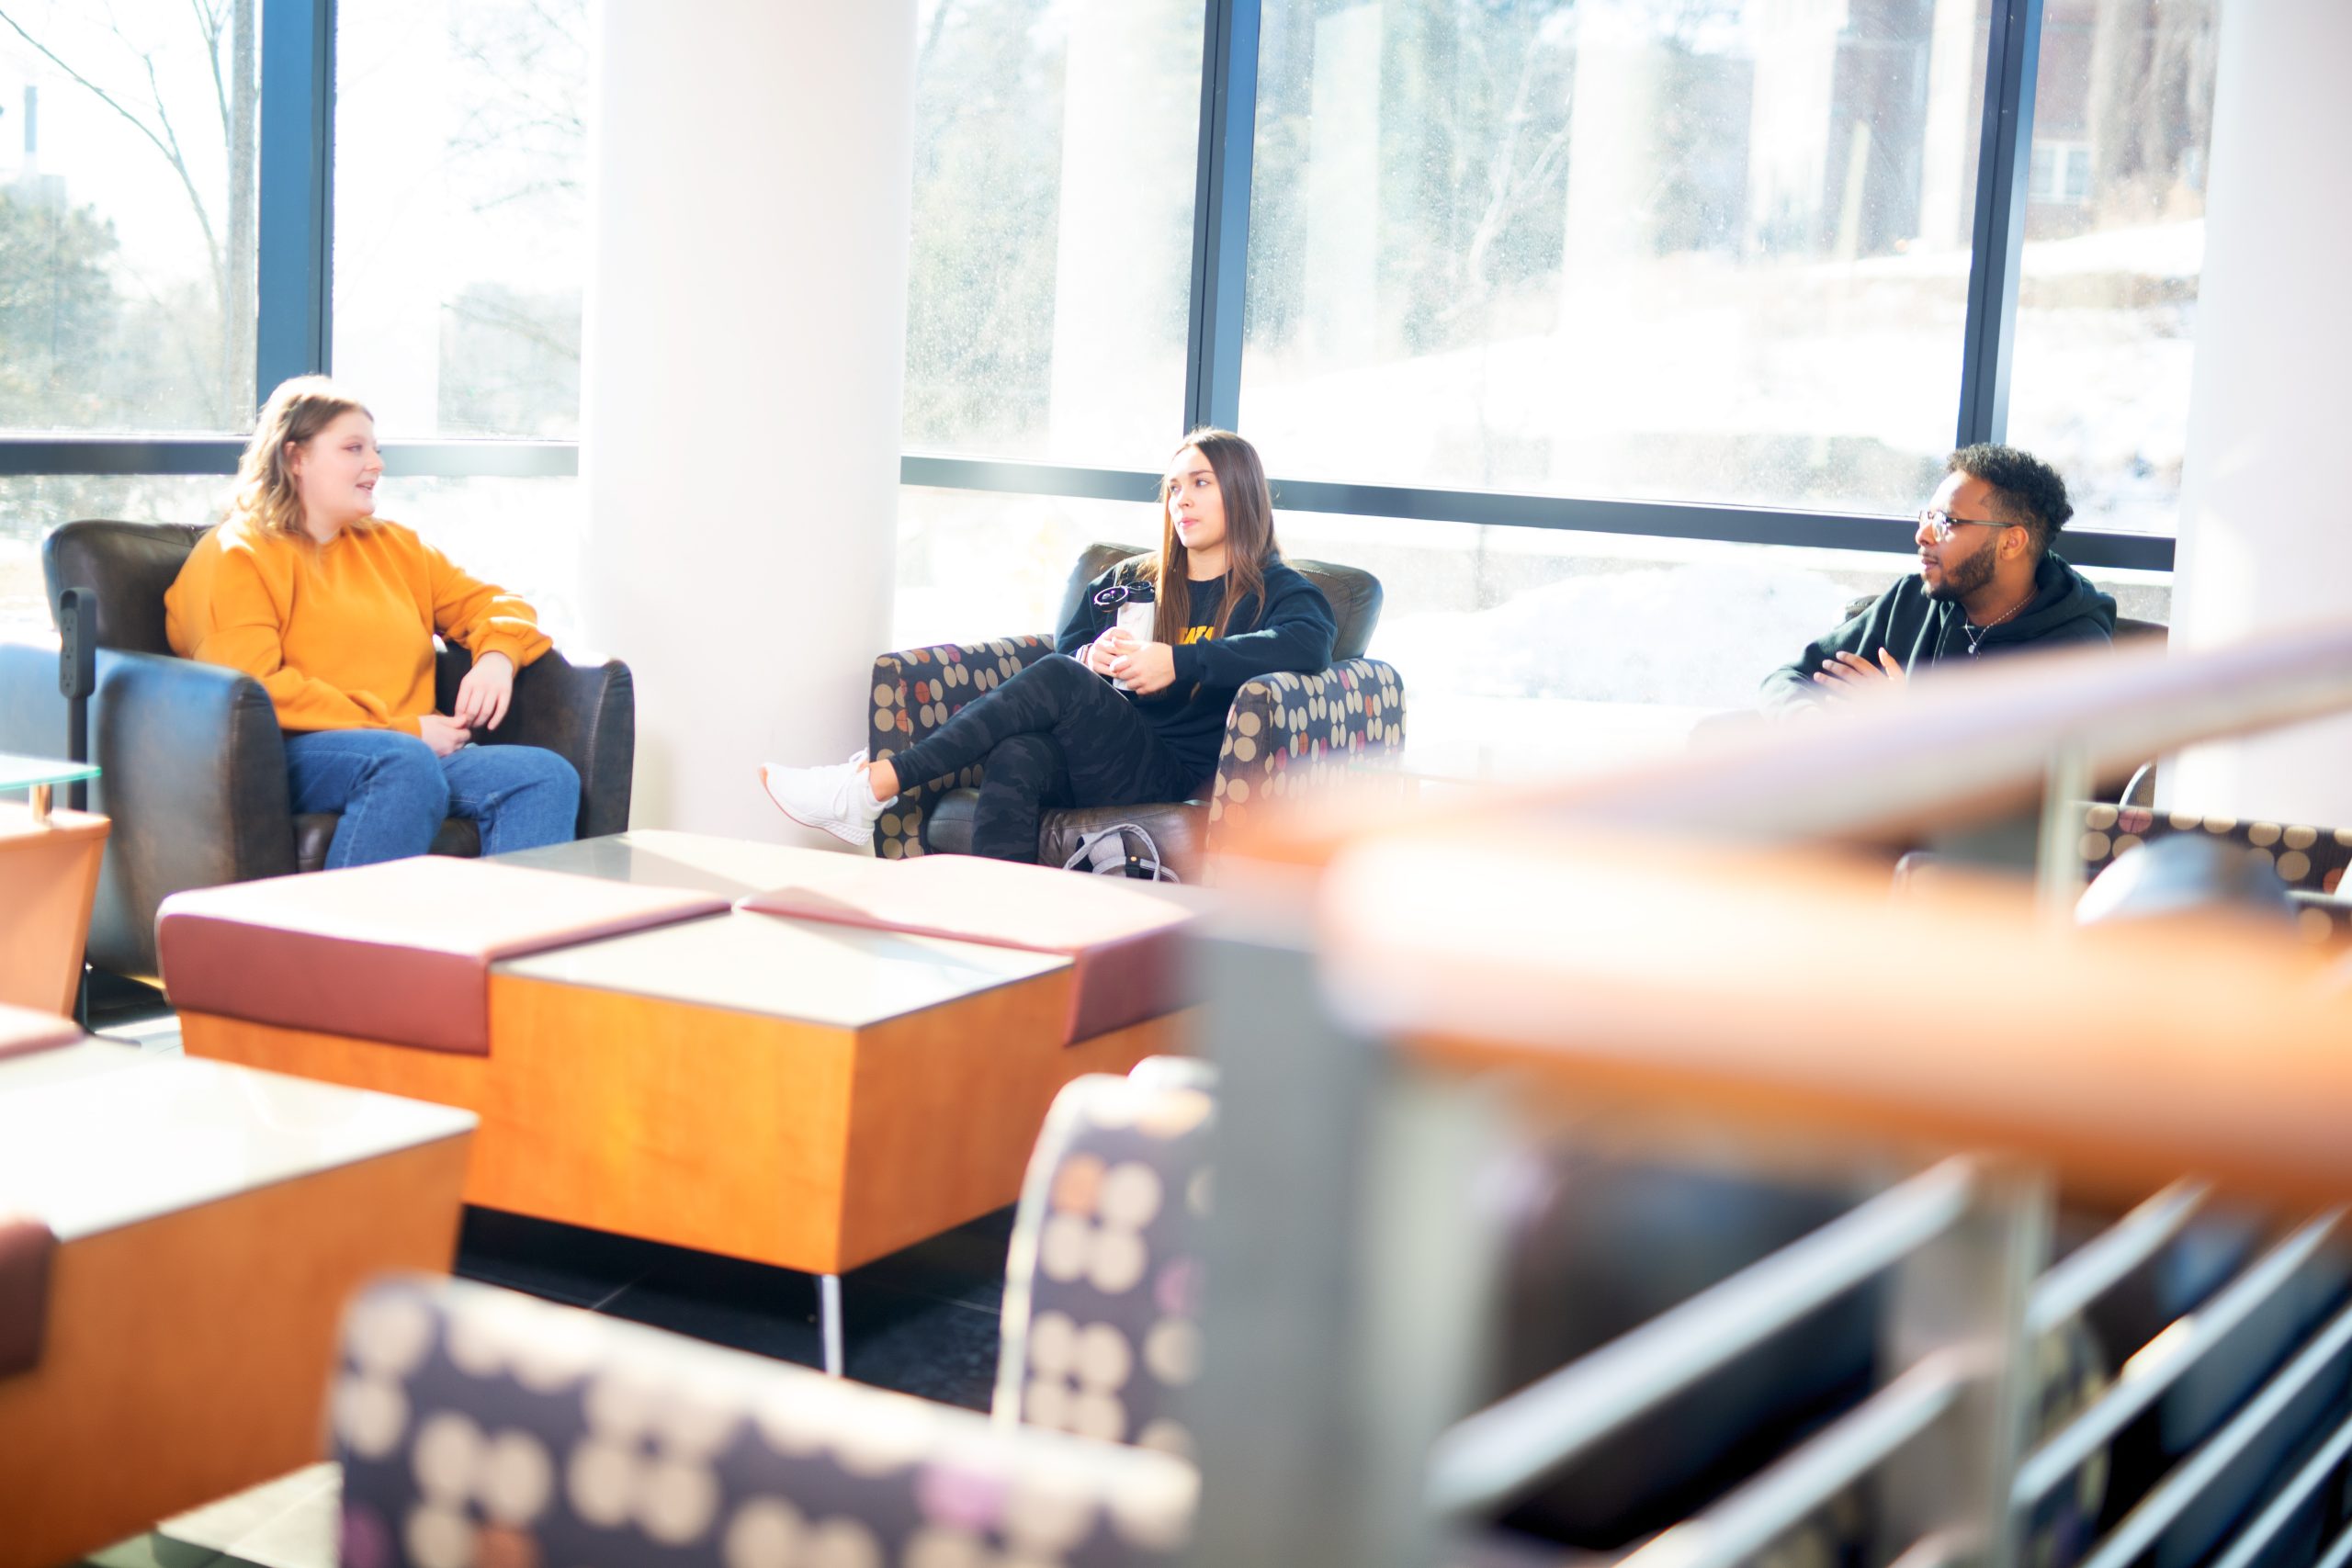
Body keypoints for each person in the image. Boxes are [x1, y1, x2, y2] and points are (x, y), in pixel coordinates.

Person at [761, 427, 1338, 859]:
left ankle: (874, 785)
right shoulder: (1132, 580)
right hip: (1099, 751)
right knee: (1021, 752)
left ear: (1240, 492)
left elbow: (1307, 646)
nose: (1180, 501)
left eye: (1201, 484)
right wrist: (1091, 655)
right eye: (1173, 488)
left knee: (1060, 679)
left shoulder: (1278, 590)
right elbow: (1070, 640)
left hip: (1172, 772)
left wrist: (1178, 663)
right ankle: (1004, 940)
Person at [164, 377, 580, 868]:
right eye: (353, 448)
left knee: (544, 775)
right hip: (291, 754)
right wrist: (404, 729)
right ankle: (351, 944)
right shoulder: (238, 554)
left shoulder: (394, 546)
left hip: (413, 749)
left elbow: (492, 604)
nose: (376, 464)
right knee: (402, 765)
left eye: (375, 449)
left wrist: (496, 659)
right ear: (296, 458)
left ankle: (498, 944)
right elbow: (256, 688)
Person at [1760, 443, 2114, 714]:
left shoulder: (2074, 650)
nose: (1923, 535)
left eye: (1946, 522)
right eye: (1926, 517)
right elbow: (1787, 679)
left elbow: (2019, 782)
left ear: (2011, 542)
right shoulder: (1914, 598)